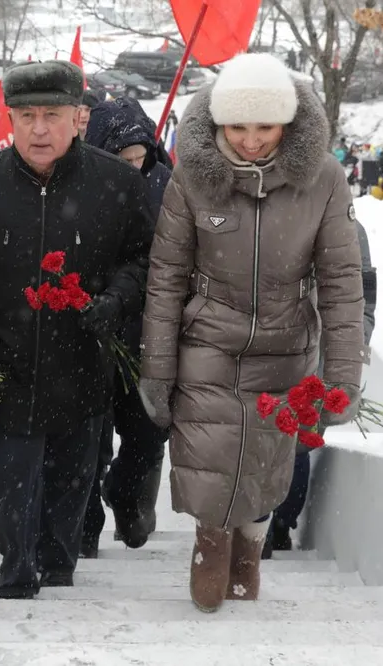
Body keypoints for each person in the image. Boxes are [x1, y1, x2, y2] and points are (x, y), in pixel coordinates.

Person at [138, 53, 364, 613]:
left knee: (265, 457)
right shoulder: (191, 176)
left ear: (286, 124)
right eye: (237, 127)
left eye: (265, 127)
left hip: (286, 345)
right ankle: (209, 541)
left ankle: (250, 543)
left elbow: (340, 280)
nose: (251, 141)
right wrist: (158, 367)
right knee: (209, 452)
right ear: (218, 124)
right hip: (209, 339)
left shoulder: (325, 178)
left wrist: (342, 376)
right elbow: (166, 278)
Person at [0, 61, 152, 599]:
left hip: (83, 354)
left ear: (78, 118)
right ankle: (17, 570)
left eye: (52, 115)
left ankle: (59, 563)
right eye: (27, 116)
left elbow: (141, 256)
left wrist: (115, 299)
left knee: (74, 476)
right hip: (5, 356)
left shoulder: (115, 181)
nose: (39, 129)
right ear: (10, 120)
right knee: (9, 477)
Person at [80, 97, 173, 556]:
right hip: (95, 325)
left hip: (149, 329)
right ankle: (86, 528)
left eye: (141, 158)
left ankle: (125, 493)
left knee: (147, 430)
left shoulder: (168, 185)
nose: (134, 168)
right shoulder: (82, 185)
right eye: (123, 160)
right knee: (91, 436)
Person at [263, 219, 376, 558]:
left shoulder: (347, 228)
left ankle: (278, 522)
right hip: (270, 346)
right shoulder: (272, 213)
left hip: (320, 351)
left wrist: (354, 345)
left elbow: (364, 299)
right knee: (268, 432)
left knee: (298, 437)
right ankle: (260, 522)